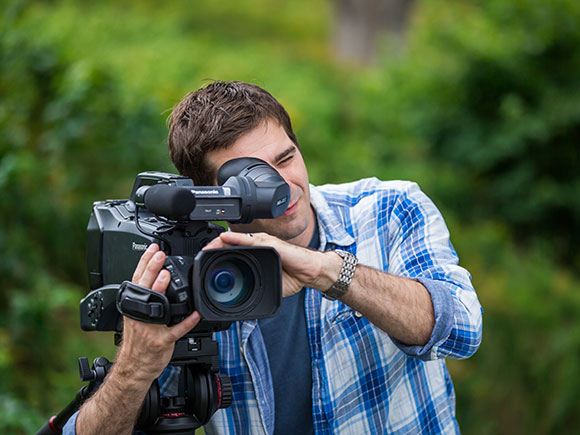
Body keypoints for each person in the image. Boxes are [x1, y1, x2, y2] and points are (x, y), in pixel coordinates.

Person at [64, 81, 482, 434]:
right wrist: (135, 368)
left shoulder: (389, 208)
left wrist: (329, 270)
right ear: (208, 195)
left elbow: (462, 330)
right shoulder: (191, 273)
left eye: (286, 159)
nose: (282, 187)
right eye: (250, 179)